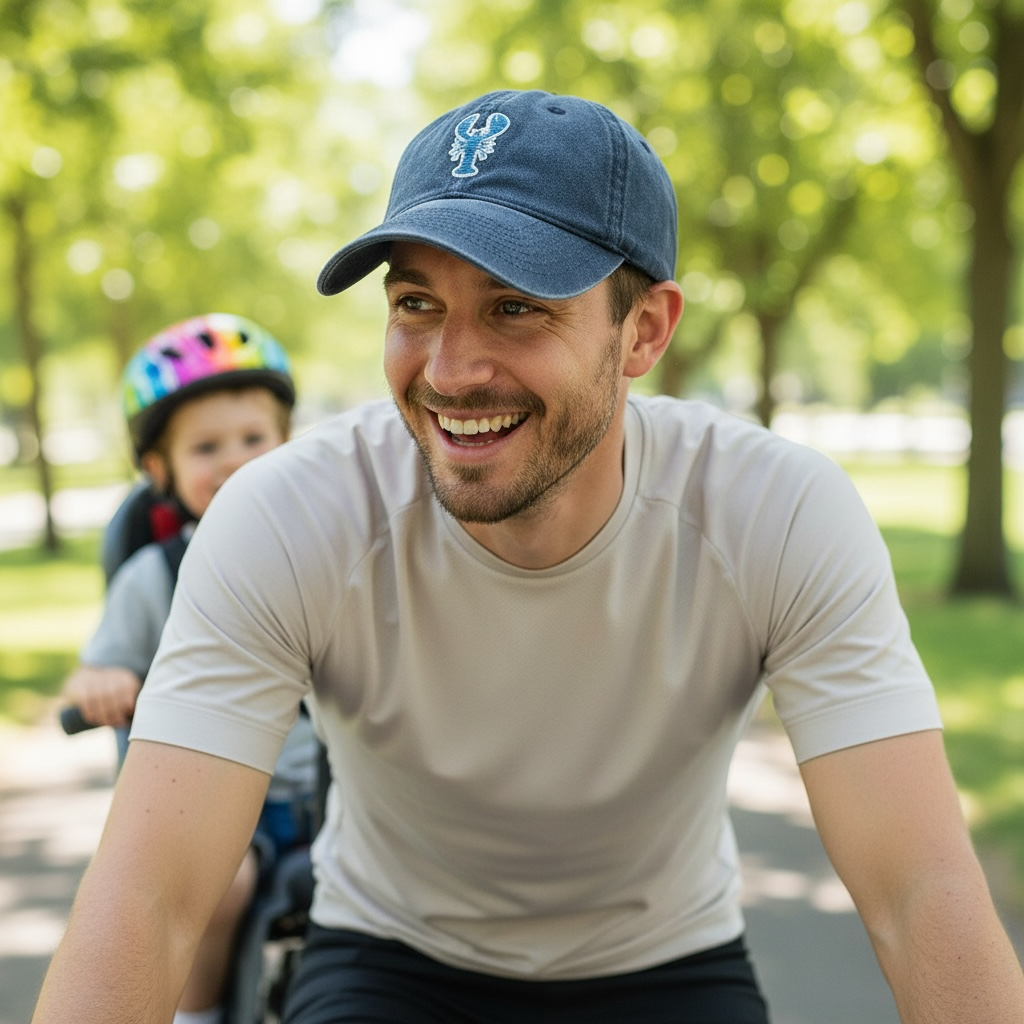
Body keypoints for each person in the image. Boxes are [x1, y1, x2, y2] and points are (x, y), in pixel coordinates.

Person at [34, 91, 1023, 1024]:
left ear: (644, 330)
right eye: (416, 303)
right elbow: (149, 895)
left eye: (515, 306)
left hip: (665, 960)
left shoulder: (778, 513)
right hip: (387, 953)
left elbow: (918, 891)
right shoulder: (289, 515)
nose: (450, 370)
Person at [58, 313, 318, 1024]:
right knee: (217, 889)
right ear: (158, 470)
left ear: (288, 442)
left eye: (253, 439)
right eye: (206, 447)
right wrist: (101, 683)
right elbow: (94, 667)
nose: (235, 460)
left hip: (343, 793)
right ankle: (195, 1013)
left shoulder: (325, 545)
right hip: (219, 806)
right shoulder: (153, 575)